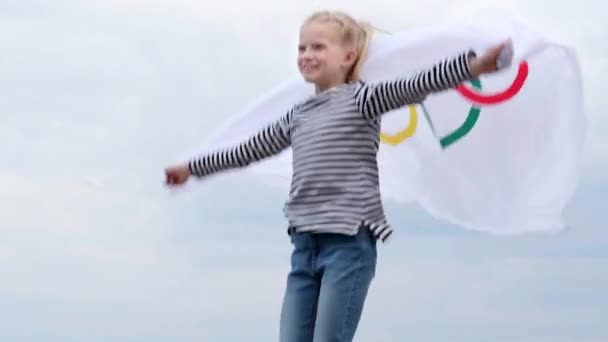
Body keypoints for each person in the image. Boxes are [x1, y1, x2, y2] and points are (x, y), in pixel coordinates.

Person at [165, 10, 512, 342]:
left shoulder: (363, 100)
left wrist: (476, 65)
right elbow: (249, 149)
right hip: (304, 248)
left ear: (347, 57)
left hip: (348, 244)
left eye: (318, 47)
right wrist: (193, 169)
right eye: (302, 47)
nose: (306, 54)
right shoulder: (297, 116)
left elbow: (416, 84)